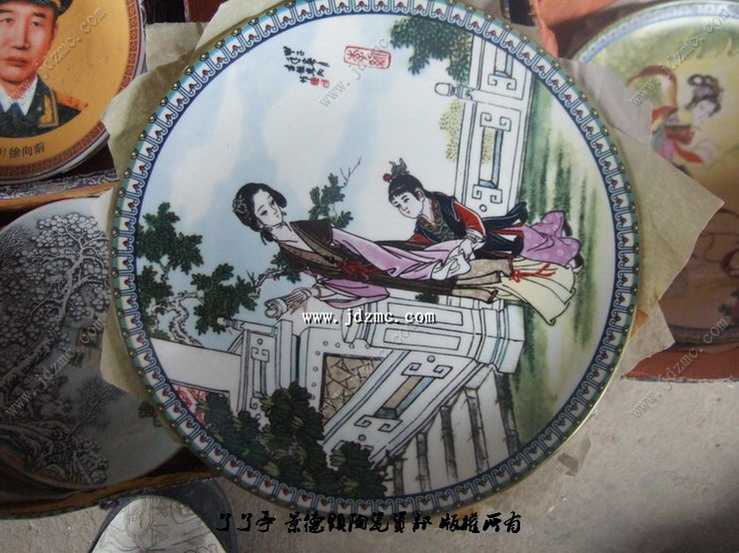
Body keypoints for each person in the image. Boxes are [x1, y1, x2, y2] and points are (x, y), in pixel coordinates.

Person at [232, 182, 576, 324]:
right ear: (257, 223)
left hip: (387, 260)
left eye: (271, 202)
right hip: (378, 276)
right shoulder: (290, 254)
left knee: (468, 266)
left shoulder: (309, 228)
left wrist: (401, 266)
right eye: (263, 211)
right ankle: (539, 296)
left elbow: (359, 245)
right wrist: (315, 293)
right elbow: (328, 276)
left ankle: (553, 276)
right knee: (460, 285)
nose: (273, 211)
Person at [385, 159, 583, 268]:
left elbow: (471, 219)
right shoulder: (422, 227)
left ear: (419, 194)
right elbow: (417, 244)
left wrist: (471, 239)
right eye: (398, 206)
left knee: (527, 244)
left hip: (487, 237)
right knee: (520, 261)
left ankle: (567, 253)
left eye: (405, 200)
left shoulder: (444, 204)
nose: (404, 208)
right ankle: (554, 230)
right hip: (475, 253)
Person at [0, 0, 87, 138]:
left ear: (52, 35)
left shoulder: (74, 115)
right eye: (7, 20)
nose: (20, 42)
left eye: (36, 24)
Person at [627, 67, 721, 172]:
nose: (702, 114)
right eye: (702, 108)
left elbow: (682, 147)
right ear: (694, 103)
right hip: (657, 142)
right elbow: (667, 127)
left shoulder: (691, 125)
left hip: (666, 150)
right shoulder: (678, 114)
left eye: (708, 113)